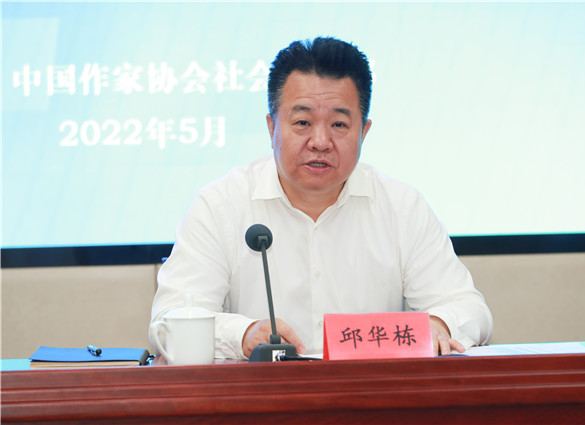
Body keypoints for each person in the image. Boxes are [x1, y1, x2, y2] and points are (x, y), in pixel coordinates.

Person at [150, 36, 492, 359]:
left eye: (339, 125)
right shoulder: (220, 206)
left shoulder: (401, 208)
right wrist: (243, 334)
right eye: (302, 122)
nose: (320, 142)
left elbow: (468, 307)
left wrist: (439, 324)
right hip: (260, 395)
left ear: (364, 131)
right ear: (272, 127)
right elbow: (170, 321)